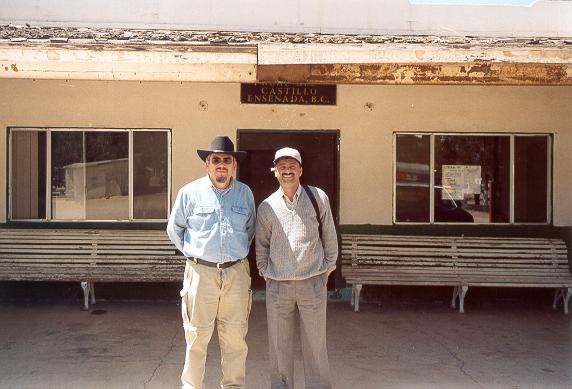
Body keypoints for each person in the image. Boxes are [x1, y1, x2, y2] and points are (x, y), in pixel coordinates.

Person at [167, 135, 255, 389]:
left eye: (226, 160)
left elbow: (249, 231)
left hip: (236, 274)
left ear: (234, 165)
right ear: (207, 164)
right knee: (196, 336)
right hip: (200, 274)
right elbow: (175, 230)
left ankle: (233, 386)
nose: (221, 165)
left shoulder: (245, 194)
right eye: (215, 160)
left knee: (235, 337)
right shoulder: (189, 193)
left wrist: (232, 256)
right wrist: (196, 255)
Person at [255, 147, 338, 389]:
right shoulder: (267, 206)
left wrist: (327, 269)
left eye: (292, 165)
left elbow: (330, 236)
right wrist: (265, 271)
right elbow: (261, 245)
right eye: (282, 166)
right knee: (280, 346)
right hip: (278, 287)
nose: (287, 170)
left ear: (301, 170)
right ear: (275, 172)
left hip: (312, 283)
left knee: (315, 345)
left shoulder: (317, 197)